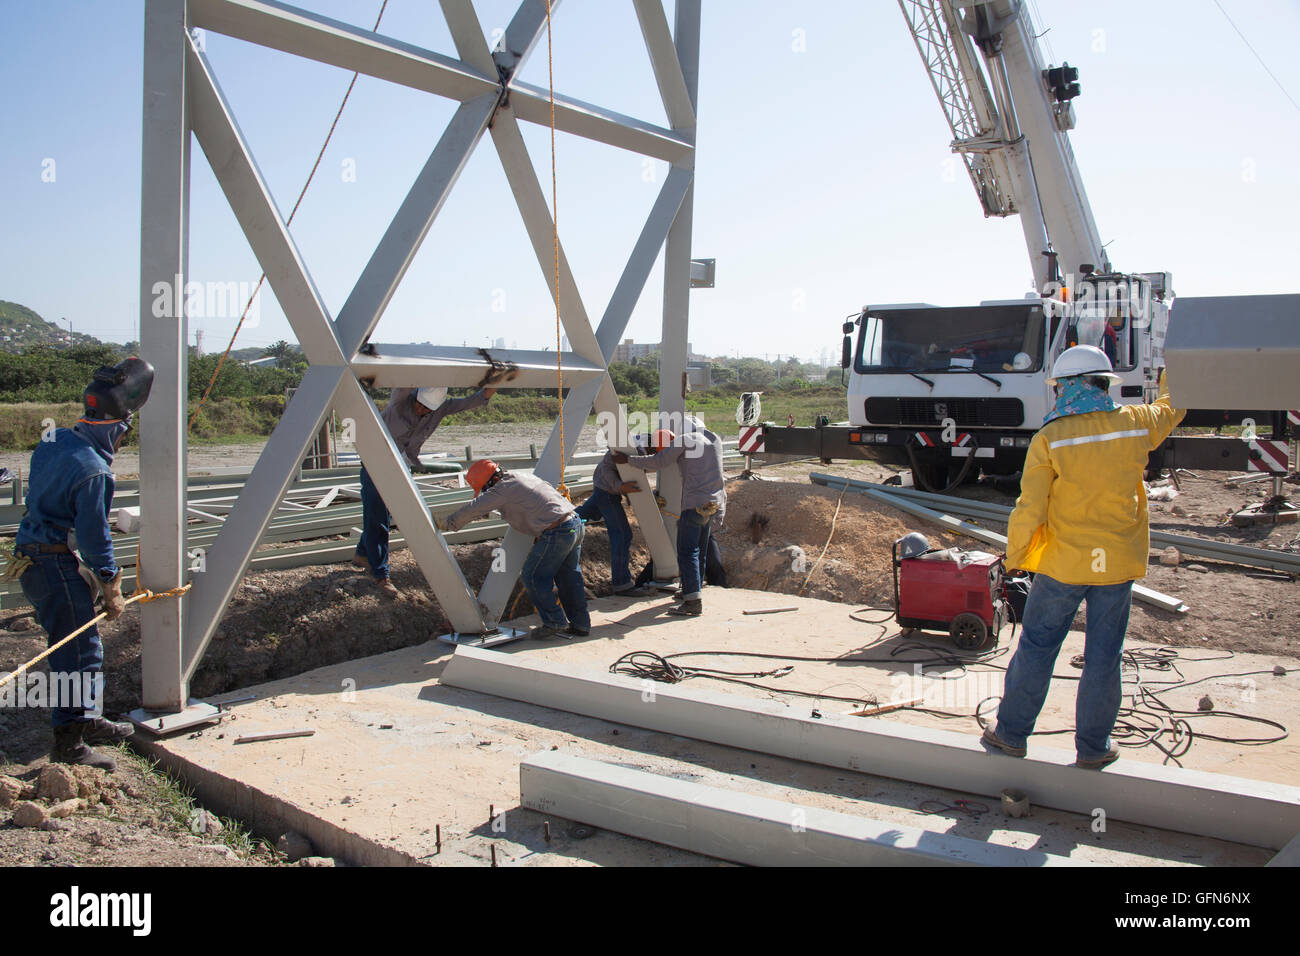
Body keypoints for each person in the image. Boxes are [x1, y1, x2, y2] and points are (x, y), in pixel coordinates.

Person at [983, 345, 1184, 769]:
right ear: (1103, 384)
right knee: (1104, 655)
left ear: (1066, 388)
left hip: (1064, 565)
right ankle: (1093, 747)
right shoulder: (1134, 424)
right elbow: (1173, 405)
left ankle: (1012, 734)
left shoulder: (1051, 438)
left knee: (1038, 646)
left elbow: (1030, 508)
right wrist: (1175, 368)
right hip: (1115, 565)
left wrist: (1016, 557)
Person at [12, 357, 155, 771]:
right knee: (78, 652)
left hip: (33, 556)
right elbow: (95, 539)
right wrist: (111, 582)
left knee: (78, 648)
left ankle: (88, 719)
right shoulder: (95, 473)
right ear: (118, 426)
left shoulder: (54, 440)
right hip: (54, 565)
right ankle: (71, 743)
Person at [355, 380, 503, 596]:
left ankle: (362, 554)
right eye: (420, 405)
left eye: (427, 409)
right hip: (375, 460)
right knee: (377, 516)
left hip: (401, 464)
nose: (421, 410)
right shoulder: (402, 398)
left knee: (383, 513)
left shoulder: (440, 408)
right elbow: (401, 375)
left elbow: (473, 401)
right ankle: (380, 574)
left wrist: (497, 381)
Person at [442, 460, 591, 638]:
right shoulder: (521, 477)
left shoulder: (502, 489)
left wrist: (449, 523)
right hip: (574, 523)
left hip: (558, 531)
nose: (485, 492)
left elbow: (476, 508)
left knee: (533, 576)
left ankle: (555, 621)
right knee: (568, 577)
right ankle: (581, 624)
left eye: (484, 489)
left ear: (490, 482)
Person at [613, 426, 726, 617]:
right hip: (714, 504)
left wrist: (628, 460)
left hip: (694, 505)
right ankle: (692, 589)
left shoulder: (682, 441)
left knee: (687, 551)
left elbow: (659, 461)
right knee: (700, 550)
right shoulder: (712, 438)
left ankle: (692, 602)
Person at [575, 446, 649, 597]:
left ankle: (557, 524)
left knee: (580, 516)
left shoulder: (646, 450)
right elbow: (606, 469)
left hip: (604, 489)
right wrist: (621, 487)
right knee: (622, 535)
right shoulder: (629, 448)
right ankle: (622, 584)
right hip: (606, 491)